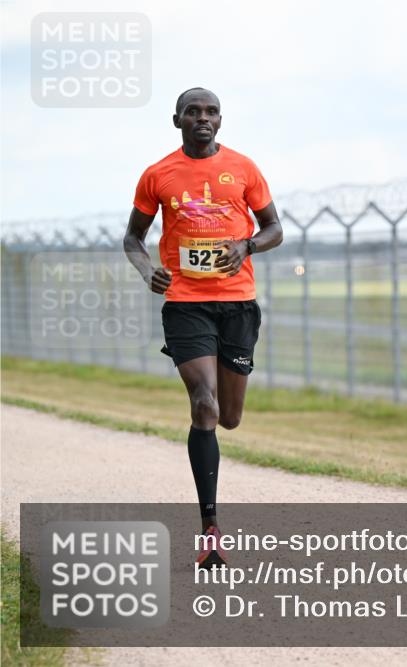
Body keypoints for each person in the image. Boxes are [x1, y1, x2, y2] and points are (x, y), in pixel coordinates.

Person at [123, 87, 283, 568]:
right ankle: (210, 529)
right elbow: (133, 238)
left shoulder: (244, 168)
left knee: (229, 416)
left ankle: (211, 511)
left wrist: (247, 246)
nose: (203, 118)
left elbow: (275, 229)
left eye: (211, 111)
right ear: (177, 120)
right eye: (193, 112)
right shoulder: (158, 175)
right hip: (185, 304)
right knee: (204, 404)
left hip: (237, 304)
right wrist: (146, 270)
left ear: (220, 120)